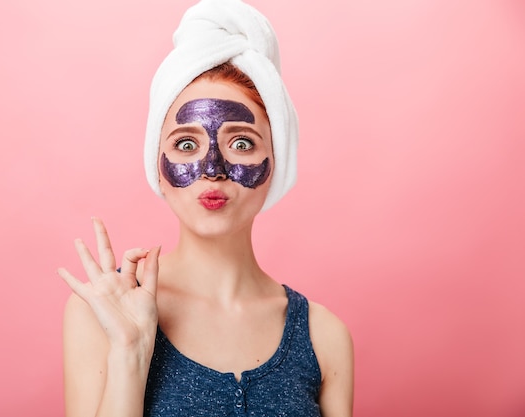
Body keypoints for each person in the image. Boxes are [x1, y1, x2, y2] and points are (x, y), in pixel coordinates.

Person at [57, 0, 354, 416]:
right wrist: (130, 351)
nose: (212, 170)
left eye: (242, 142)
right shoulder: (103, 311)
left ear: (278, 160)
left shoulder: (324, 335)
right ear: (156, 165)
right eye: (185, 144)